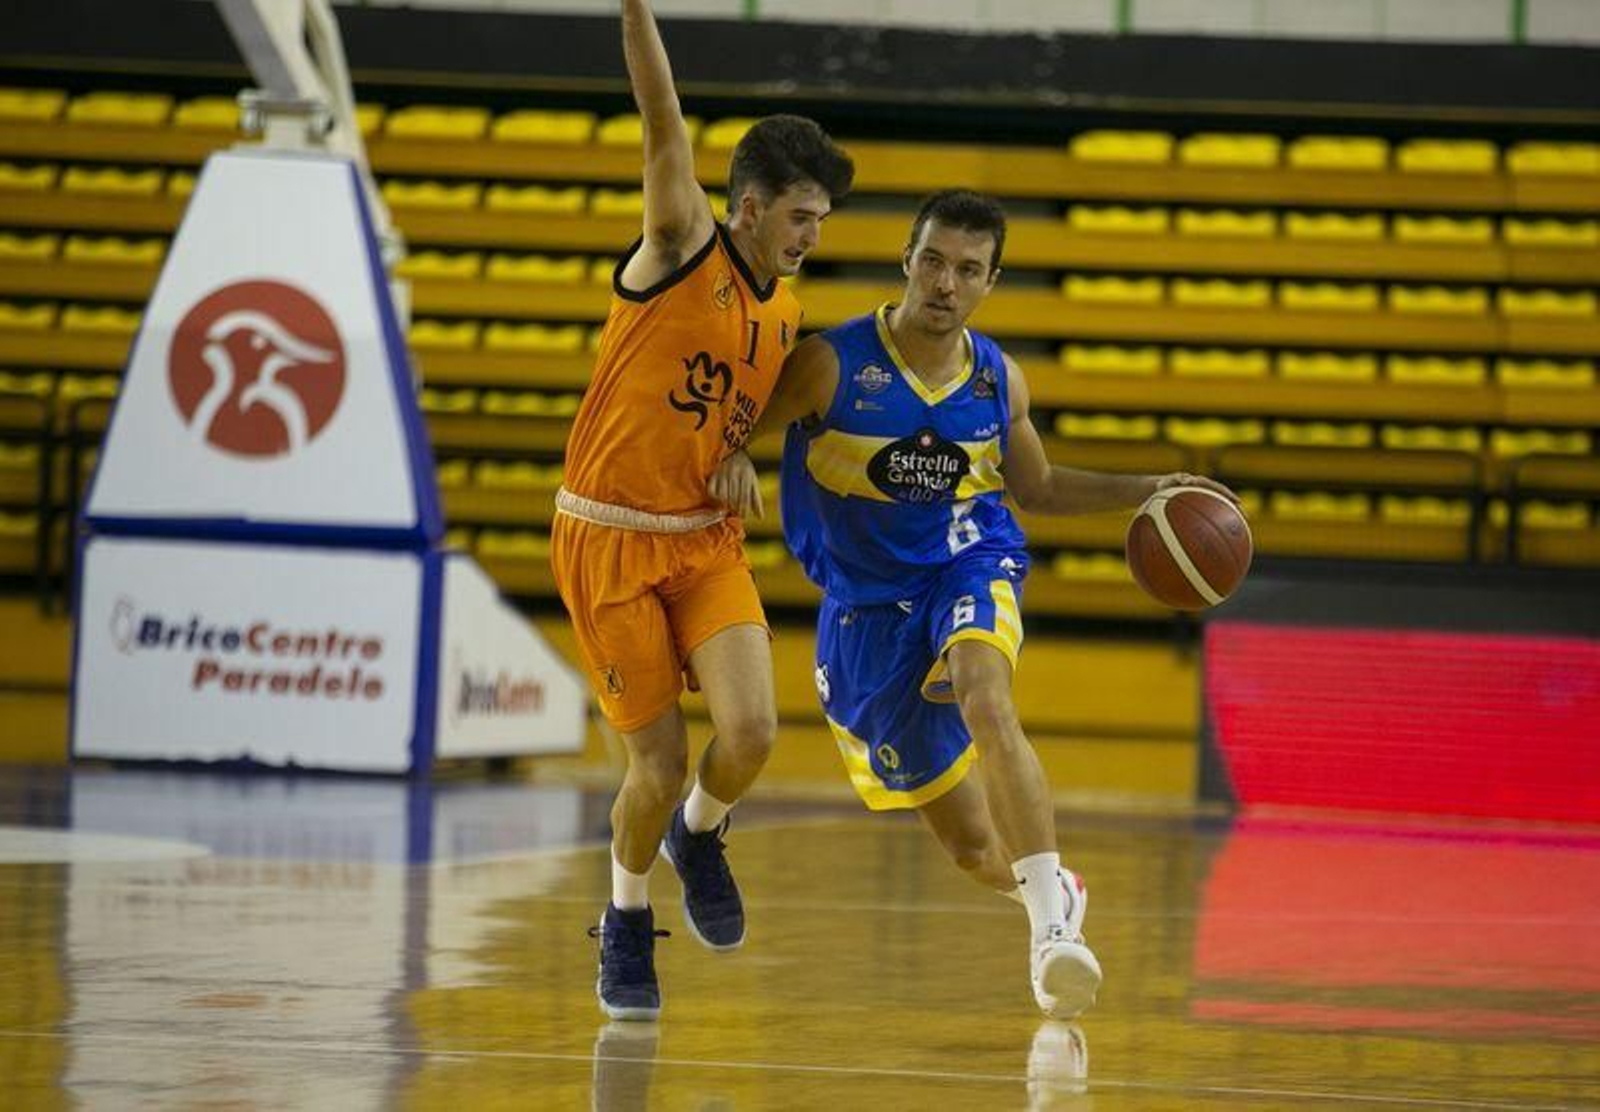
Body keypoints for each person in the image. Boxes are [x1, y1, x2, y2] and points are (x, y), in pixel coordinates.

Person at [712, 189, 1235, 1018]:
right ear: (907, 262)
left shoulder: (998, 380)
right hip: (865, 614)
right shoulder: (832, 365)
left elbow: (1039, 488)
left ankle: (1054, 938)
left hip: (967, 563)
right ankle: (1055, 890)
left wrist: (1152, 488)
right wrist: (735, 452)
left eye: (967, 269)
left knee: (990, 699)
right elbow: (731, 425)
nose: (945, 283)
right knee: (970, 848)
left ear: (989, 283)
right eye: (932, 261)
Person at [552, 0, 853, 1022]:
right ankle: (627, 915)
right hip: (606, 535)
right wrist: (635, 10)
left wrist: (735, 451)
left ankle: (701, 831)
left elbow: (739, 408)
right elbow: (660, 112)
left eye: (820, 221)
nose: (812, 236)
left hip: (703, 540)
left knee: (754, 728)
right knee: (657, 759)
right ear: (751, 205)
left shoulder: (785, 308)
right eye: (799, 215)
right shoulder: (680, 241)